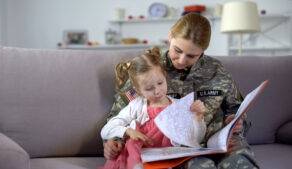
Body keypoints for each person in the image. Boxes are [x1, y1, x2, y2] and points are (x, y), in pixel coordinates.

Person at [104, 13, 259, 169]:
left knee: (241, 164)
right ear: (170, 36)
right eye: (177, 50)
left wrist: (238, 121)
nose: (182, 60)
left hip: (219, 141)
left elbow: (237, 109)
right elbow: (118, 116)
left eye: (191, 56)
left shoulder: (218, 71)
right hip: (177, 149)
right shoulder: (150, 69)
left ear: (203, 50)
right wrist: (114, 142)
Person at [100, 48, 207, 169]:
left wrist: (198, 119)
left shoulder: (178, 106)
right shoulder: (136, 106)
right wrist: (128, 131)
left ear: (165, 77)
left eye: (160, 83)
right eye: (149, 88)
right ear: (138, 90)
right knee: (131, 146)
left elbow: (196, 139)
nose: (157, 91)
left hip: (168, 160)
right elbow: (106, 130)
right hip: (140, 159)